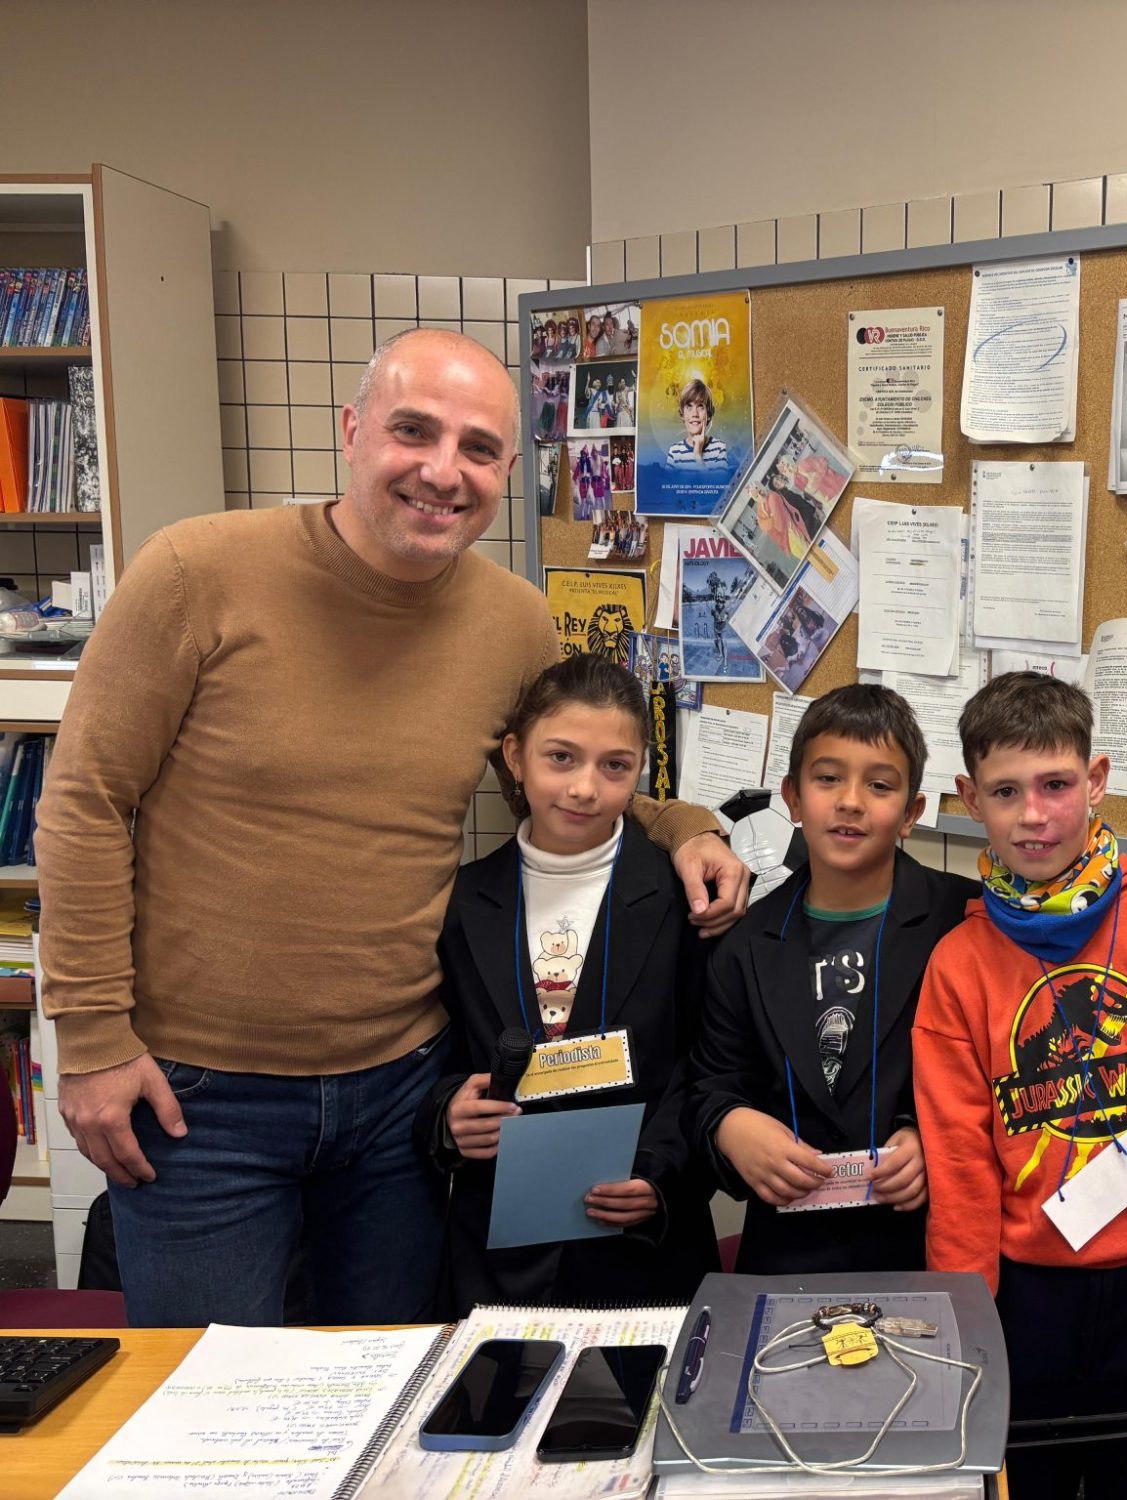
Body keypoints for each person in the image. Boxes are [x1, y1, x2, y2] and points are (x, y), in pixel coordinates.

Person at [37, 328, 749, 1328]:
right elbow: (84, 802)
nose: (443, 471)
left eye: (478, 449)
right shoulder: (196, 571)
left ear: (507, 469)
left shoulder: (513, 622)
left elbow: (563, 786)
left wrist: (685, 828)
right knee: (211, 1401)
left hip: (403, 1096)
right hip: (201, 1097)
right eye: (413, 431)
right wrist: (91, 1038)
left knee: (393, 1383)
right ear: (352, 429)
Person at [913, 671, 1127, 1498]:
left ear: (1095, 780)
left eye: (1056, 785)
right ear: (969, 798)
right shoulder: (959, 964)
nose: (1034, 813)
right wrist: (968, 1320)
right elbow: (959, 1165)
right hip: (1023, 1298)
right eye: (1005, 791)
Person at [423, 654, 717, 1312]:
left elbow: (710, 1062)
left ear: (639, 770)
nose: (585, 788)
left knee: (656, 1387)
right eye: (561, 758)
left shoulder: (683, 898)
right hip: (500, 1251)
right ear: (514, 757)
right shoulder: (463, 902)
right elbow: (431, 1054)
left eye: (614, 766)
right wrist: (447, 1115)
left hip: (643, 1243)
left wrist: (661, 1173)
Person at [688, 686, 978, 1273]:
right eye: (827, 779)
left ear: (912, 813)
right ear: (793, 798)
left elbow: (1000, 1071)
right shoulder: (744, 948)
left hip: (924, 1248)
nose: (850, 802)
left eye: (880, 785)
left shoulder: (962, 921)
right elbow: (711, 1085)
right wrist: (730, 1126)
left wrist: (933, 1138)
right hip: (789, 1255)